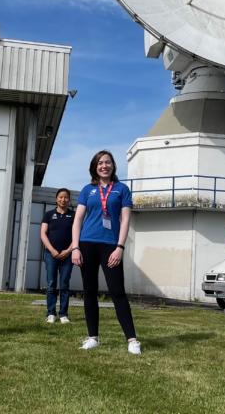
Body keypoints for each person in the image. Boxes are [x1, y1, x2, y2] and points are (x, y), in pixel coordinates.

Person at [70, 150, 141, 355]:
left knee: (117, 292)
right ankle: (93, 337)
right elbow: (77, 220)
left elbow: (125, 220)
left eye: (108, 162)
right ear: (95, 166)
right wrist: (75, 247)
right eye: (100, 163)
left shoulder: (121, 189)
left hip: (111, 245)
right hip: (86, 244)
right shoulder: (87, 190)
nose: (104, 166)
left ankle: (132, 340)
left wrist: (120, 247)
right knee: (89, 292)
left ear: (113, 166)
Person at [40, 188, 75, 324]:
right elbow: (43, 234)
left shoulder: (73, 215)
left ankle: (63, 314)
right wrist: (52, 250)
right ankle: (51, 313)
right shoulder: (48, 215)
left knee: (64, 284)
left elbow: (77, 235)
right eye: (60, 197)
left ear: (69, 200)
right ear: (56, 199)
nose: (63, 199)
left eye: (66, 197)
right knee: (51, 284)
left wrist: (68, 250)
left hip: (67, 255)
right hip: (51, 255)